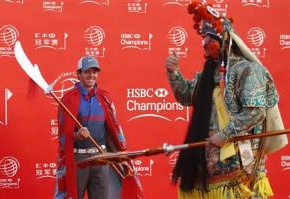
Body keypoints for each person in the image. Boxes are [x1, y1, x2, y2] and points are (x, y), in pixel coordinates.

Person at [165, 2, 287, 199]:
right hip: (207, 163)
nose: (204, 49)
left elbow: (255, 111)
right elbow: (186, 96)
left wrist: (224, 135)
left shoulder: (248, 70)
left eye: (208, 43)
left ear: (224, 42)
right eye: (203, 44)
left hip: (240, 162)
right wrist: (173, 73)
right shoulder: (207, 75)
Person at [54, 55, 136, 199]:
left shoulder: (104, 98)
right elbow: (63, 136)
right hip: (78, 159)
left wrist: (119, 156)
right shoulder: (68, 99)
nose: (91, 75)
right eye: (87, 72)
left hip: (101, 157)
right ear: (78, 74)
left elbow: (111, 132)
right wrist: (78, 135)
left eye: (95, 71)